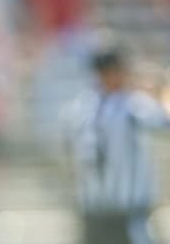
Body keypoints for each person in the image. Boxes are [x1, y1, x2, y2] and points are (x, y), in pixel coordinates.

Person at [63, 40, 170, 244]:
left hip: (95, 212)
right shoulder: (132, 105)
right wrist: (160, 90)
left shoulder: (79, 108)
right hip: (124, 212)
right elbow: (164, 122)